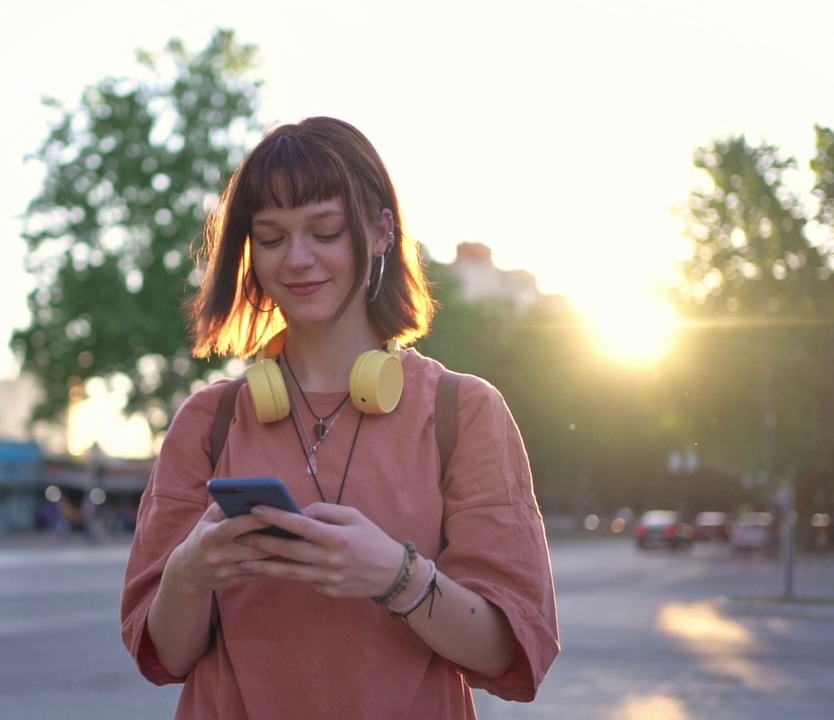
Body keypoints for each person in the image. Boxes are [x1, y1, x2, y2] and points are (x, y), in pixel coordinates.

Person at [120, 116, 560, 719]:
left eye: (325, 230)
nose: (297, 259)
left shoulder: (465, 412)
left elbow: (507, 650)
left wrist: (397, 577)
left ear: (381, 231)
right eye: (271, 239)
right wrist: (190, 572)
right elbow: (165, 655)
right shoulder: (206, 422)